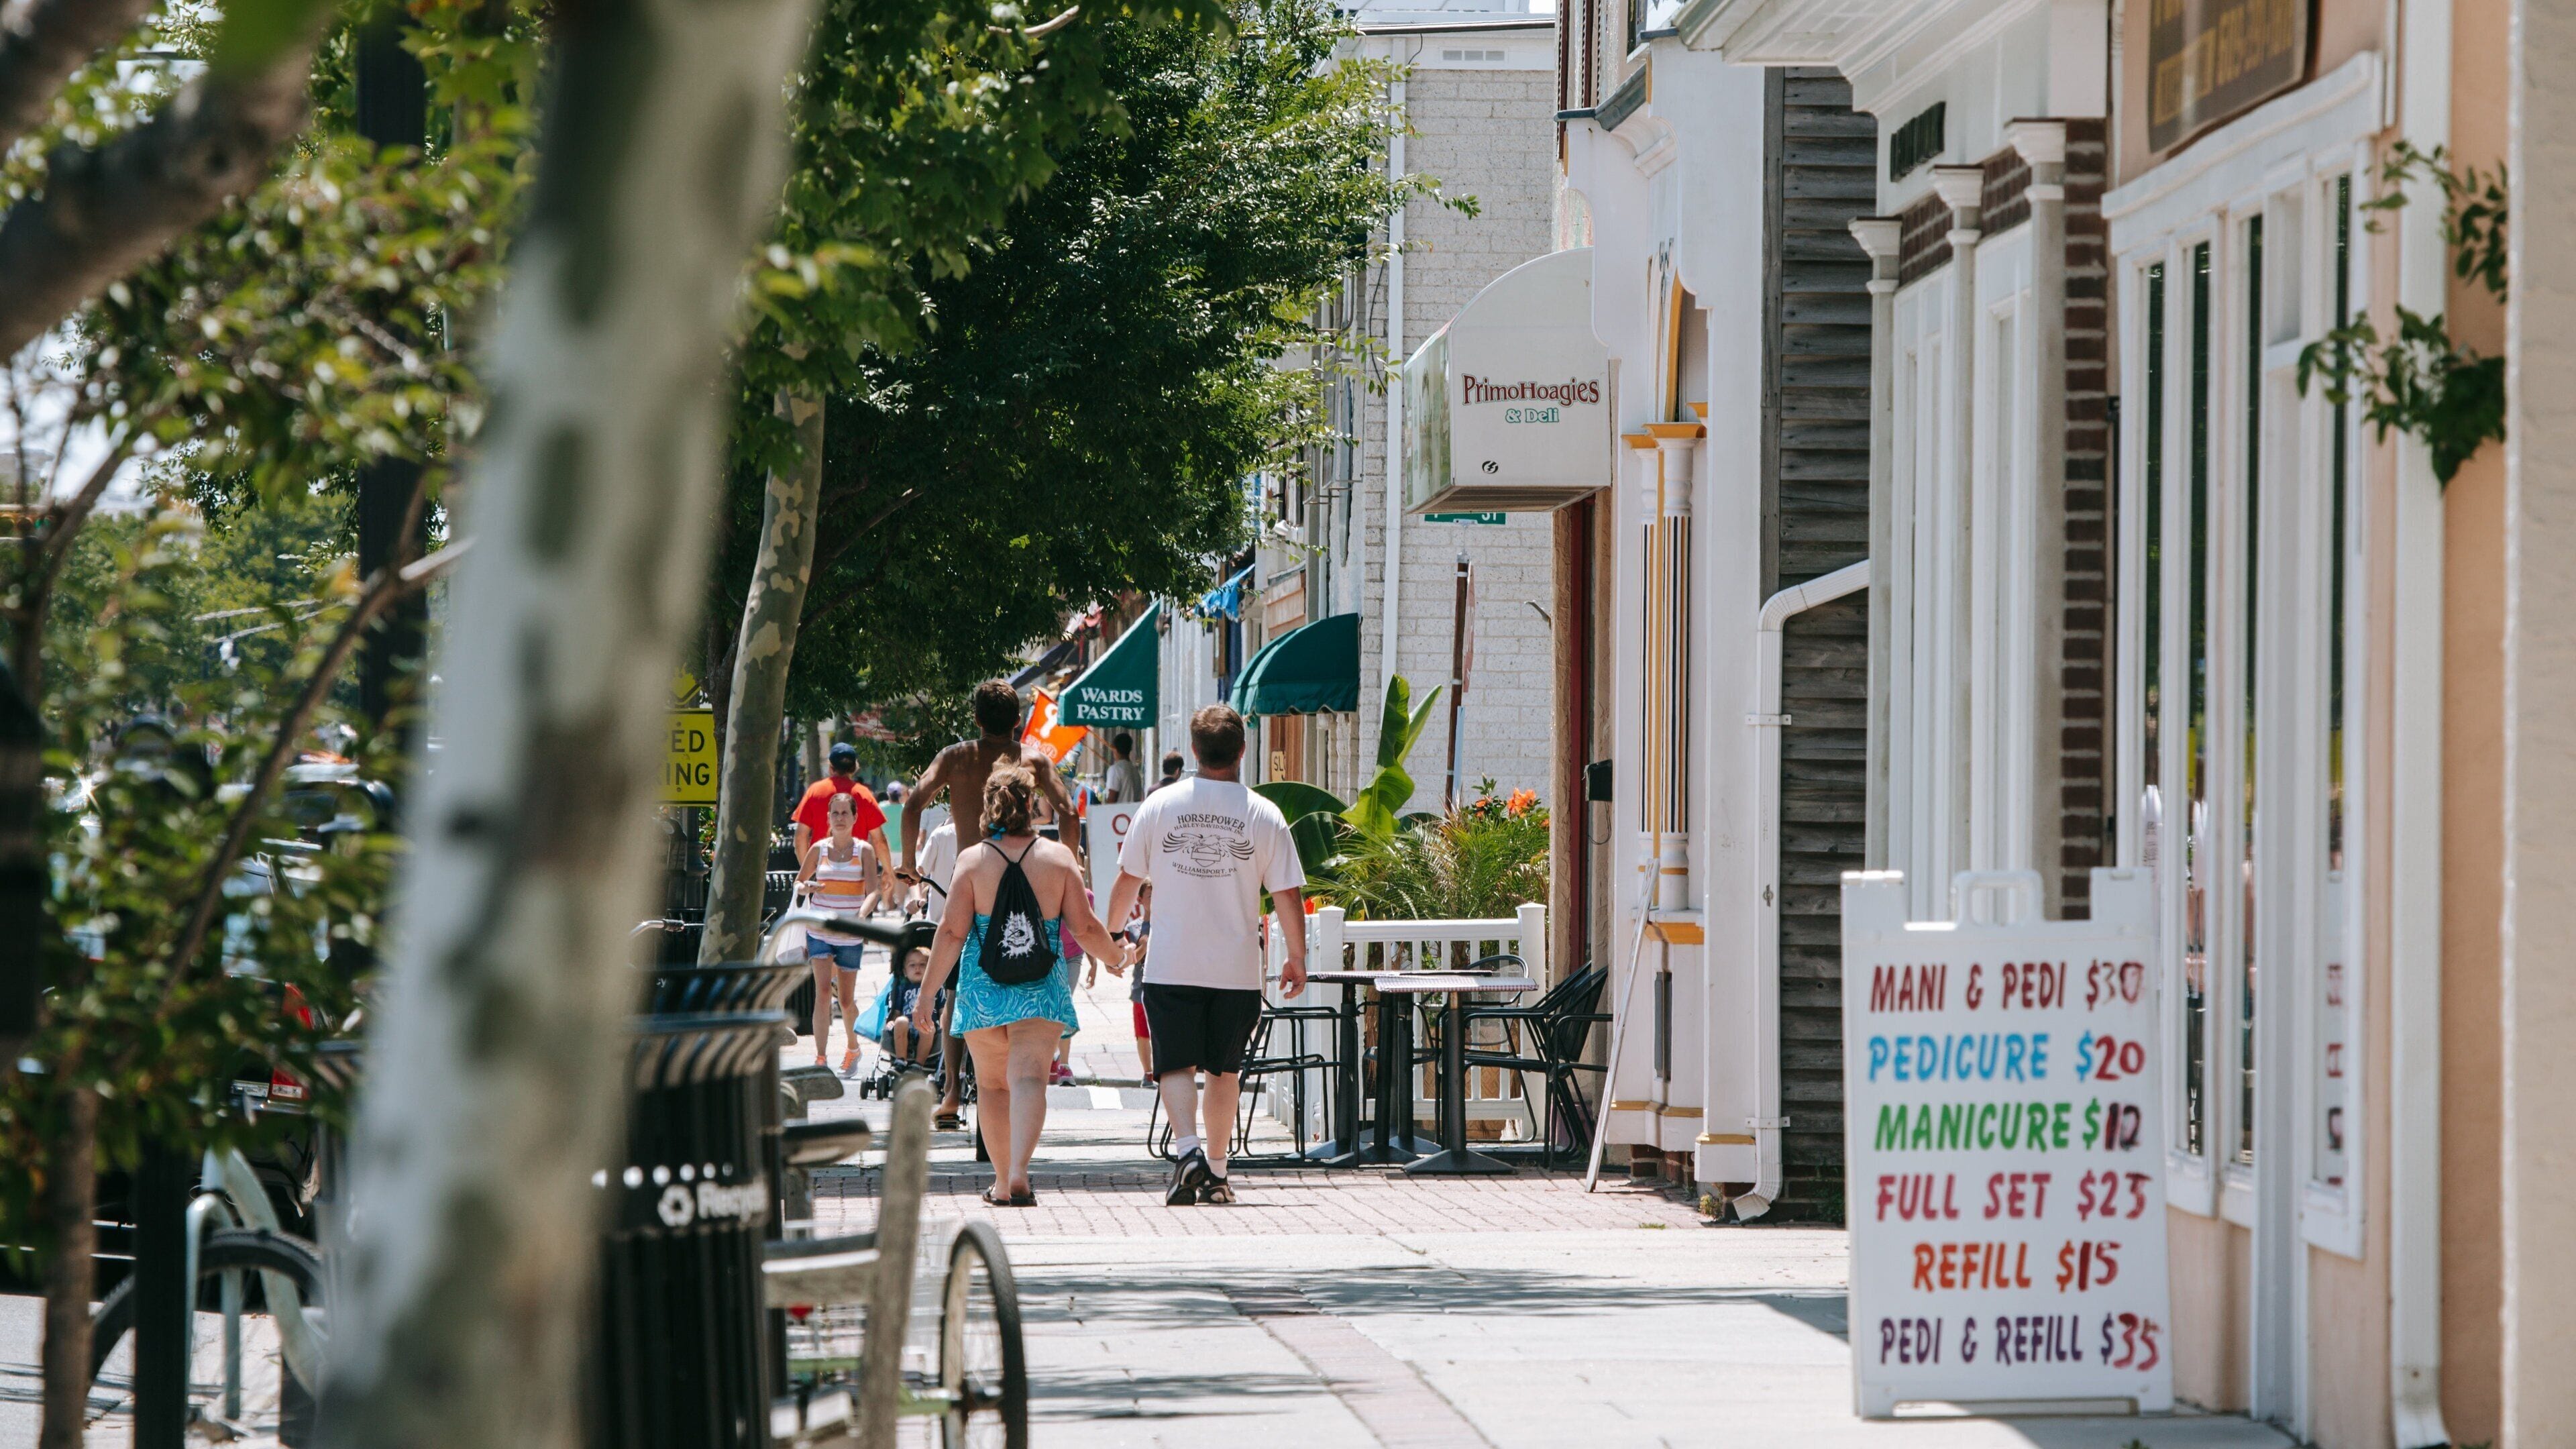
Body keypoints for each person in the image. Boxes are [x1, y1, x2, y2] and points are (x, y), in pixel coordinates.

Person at [1104, 704, 1307, 1206]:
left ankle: (1189, 1150)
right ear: (1242, 751)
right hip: (1236, 968)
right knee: (1225, 1070)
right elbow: (1287, 893)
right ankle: (1216, 1170)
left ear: (1194, 751)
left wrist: (1110, 937)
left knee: (1174, 1064)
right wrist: (1296, 956)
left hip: (1172, 961)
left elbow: (1127, 878)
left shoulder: (1159, 807)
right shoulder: (1265, 814)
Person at [914, 761, 1121, 1206]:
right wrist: (1117, 957)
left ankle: (1003, 1182)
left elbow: (950, 933)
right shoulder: (1059, 859)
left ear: (988, 805)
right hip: (1040, 986)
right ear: (1033, 805)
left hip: (983, 987)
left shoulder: (971, 861)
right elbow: (1084, 928)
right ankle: (1023, 1171)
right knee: (1030, 1079)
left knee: (991, 1085)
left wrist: (928, 994)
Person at [898, 680, 1087, 883]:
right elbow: (1069, 814)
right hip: (1019, 876)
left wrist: (909, 864)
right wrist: (1071, 863)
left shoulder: (953, 757)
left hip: (971, 875)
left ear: (977, 719)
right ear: (1017, 721)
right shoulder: (1036, 761)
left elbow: (912, 807)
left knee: (953, 916)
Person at [796, 792, 885, 1074]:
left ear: (855, 817)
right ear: (828, 818)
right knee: (822, 992)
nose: (840, 818)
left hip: (850, 933)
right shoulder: (818, 849)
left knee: (845, 1000)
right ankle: (820, 1058)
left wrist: (861, 916)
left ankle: (853, 1048)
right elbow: (799, 882)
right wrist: (806, 888)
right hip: (820, 929)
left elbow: (873, 892)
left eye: (845, 813)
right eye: (835, 814)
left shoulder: (864, 851)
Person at [796, 741, 894, 867]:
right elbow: (879, 840)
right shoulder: (864, 794)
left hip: (823, 871)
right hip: (856, 872)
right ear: (855, 768)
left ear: (831, 767)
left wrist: (808, 871)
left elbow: (800, 837)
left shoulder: (815, 791)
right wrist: (888, 871)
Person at [879, 943, 945, 1073]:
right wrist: (892, 1020)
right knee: (901, 1021)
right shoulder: (902, 989)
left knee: (928, 1028)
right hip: (907, 1024)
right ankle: (900, 1061)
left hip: (927, 1022)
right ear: (905, 971)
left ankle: (918, 1065)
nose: (917, 968)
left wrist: (943, 1026)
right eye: (912, 965)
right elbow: (896, 1011)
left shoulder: (937, 989)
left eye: (922, 965)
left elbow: (943, 1012)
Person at [1103, 732, 1145, 802]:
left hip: (1119, 812)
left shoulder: (1115, 770)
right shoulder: (1135, 771)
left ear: (1115, 749)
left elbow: (1112, 798)